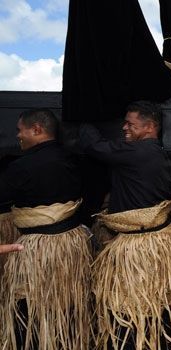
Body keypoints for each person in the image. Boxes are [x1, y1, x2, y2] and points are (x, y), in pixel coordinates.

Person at [80, 101, 171, 349]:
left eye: (130, 124)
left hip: (139, 246)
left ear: (149, 127)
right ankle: (159, 340)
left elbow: (95, 147)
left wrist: (87, 118)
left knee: (134, 299)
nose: (124, 128)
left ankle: (136, 342)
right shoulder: (154, 152)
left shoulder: (139, 152)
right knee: (156, 296)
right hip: (151, 241)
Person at [0, 108, 92, 349]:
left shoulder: (20, 167)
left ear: (37, 129)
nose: (18, 136)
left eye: (20, 130)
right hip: (70, 245)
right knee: (66, 302)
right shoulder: (74, 159)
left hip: (36, 251)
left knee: (28, 303)